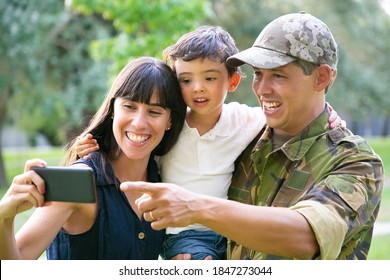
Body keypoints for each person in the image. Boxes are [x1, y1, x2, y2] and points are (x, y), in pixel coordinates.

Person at [120, 12, 384, 260]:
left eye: (278, 75)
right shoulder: (248, 137)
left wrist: (196, 207)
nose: (262, 89)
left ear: (322, 77)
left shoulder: (356, 162)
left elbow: (307, 237)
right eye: (258, 74)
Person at [75, 25, 345, 260]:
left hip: (229, 230)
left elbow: (292, 109)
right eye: (186, 80)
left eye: (210, 78)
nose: (198, 88)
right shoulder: (169, 125)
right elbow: (133, 145)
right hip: (183, 233)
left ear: (233, 80)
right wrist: (91, 149)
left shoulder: (244, 119)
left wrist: (331, 115)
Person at [0, 56, 187, 260]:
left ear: (170, 121)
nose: (139, 123)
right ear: (113, 109)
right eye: (129, 106)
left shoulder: (163, 179)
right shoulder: (77, 182)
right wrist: (4, 218)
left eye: (154, 111)